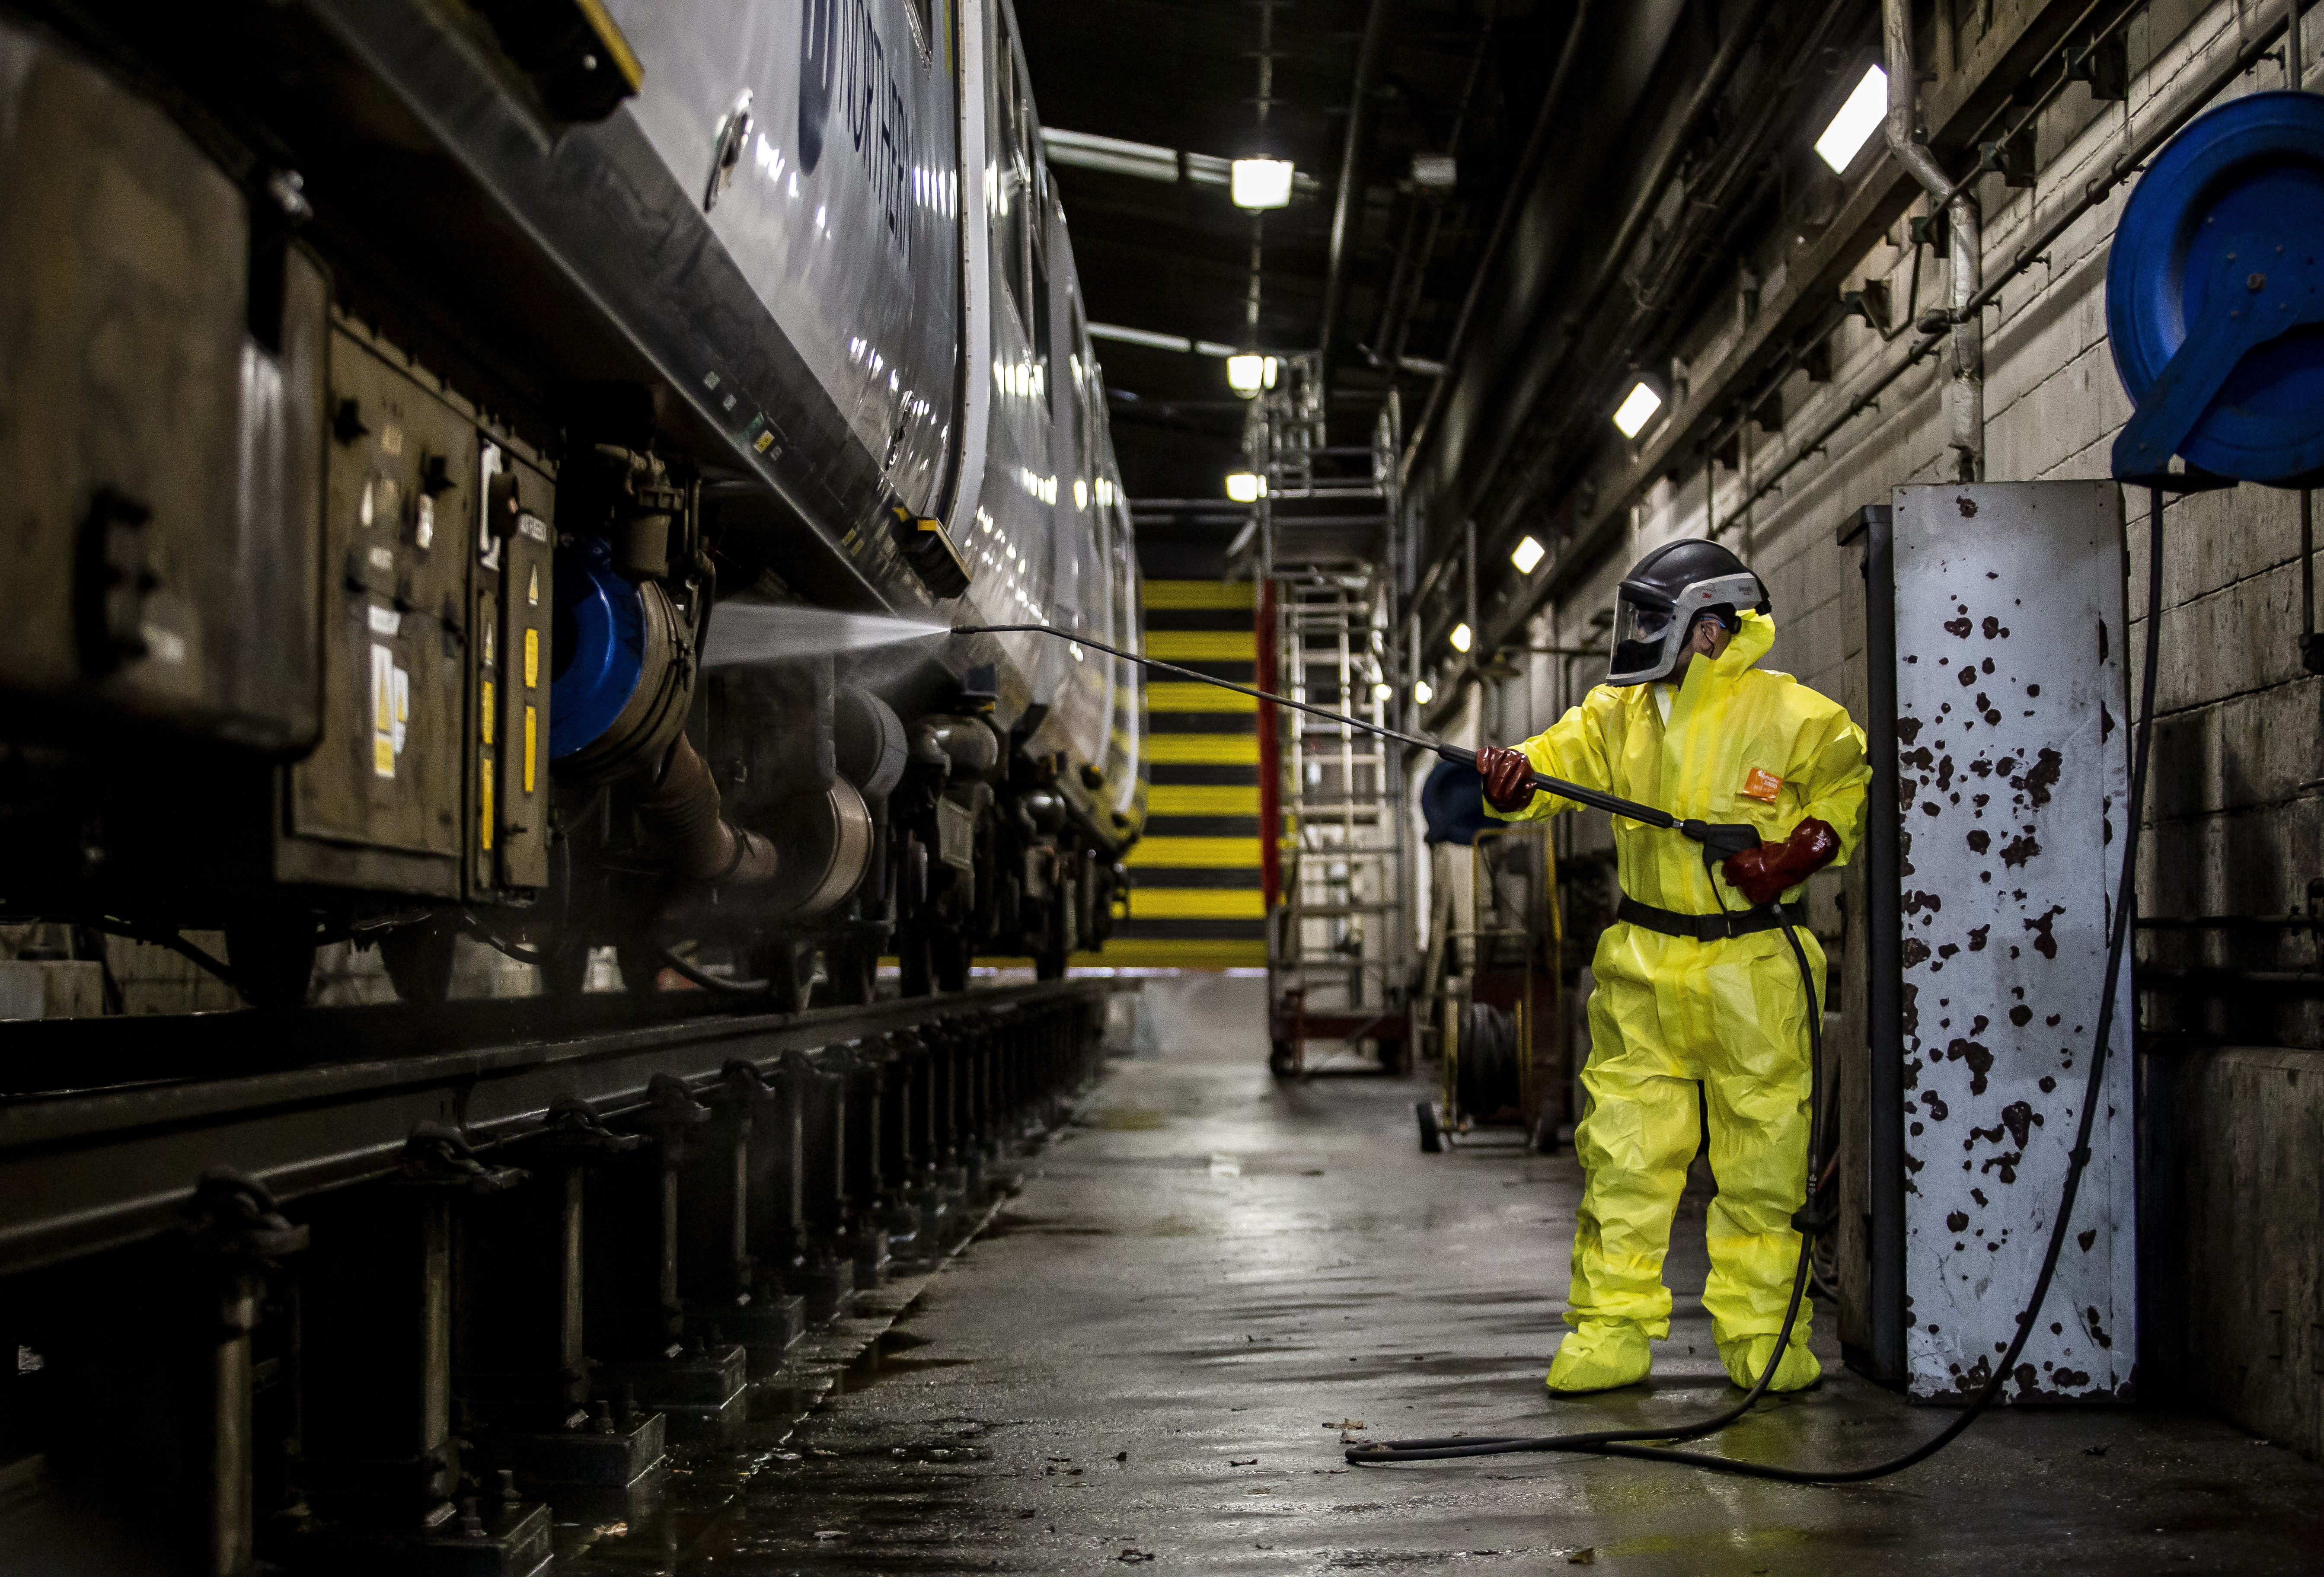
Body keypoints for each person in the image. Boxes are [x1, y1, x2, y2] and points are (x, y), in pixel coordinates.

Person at [1474, 538, 1868, 1396]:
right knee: (1624, 1162)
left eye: (1659, 619)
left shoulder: (1796, 716)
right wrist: (1511, 781)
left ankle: (1764, 1339)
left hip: (1754, 968)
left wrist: (1794, 857)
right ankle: (1609, 1336)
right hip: (1643, 966)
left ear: (1713, 627)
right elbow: (1549, 769)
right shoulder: (1619, 717)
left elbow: (1848, 791)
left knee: (1763, 1170)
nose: (1642, 635)